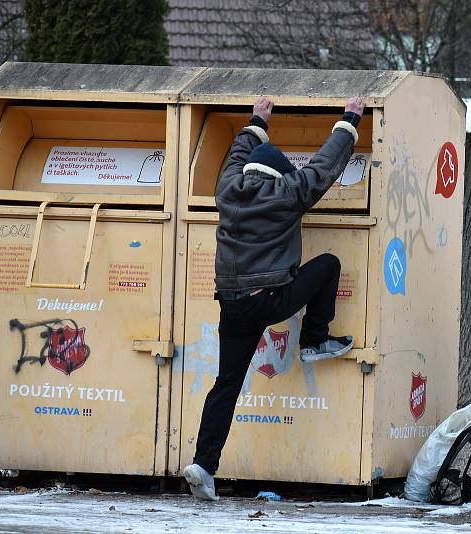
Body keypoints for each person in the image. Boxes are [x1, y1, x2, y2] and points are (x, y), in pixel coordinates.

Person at [183, 95, 366, 500]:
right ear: (277, 174)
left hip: (232, 303)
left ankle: (203, 465)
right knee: (328, 265)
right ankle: (315, 339)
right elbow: (322, 169)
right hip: (270, 297)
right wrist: (349, 121)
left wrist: (257, 122)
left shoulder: (228, 188)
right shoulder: (286, 193)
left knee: (225, 384)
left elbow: (236, 154)